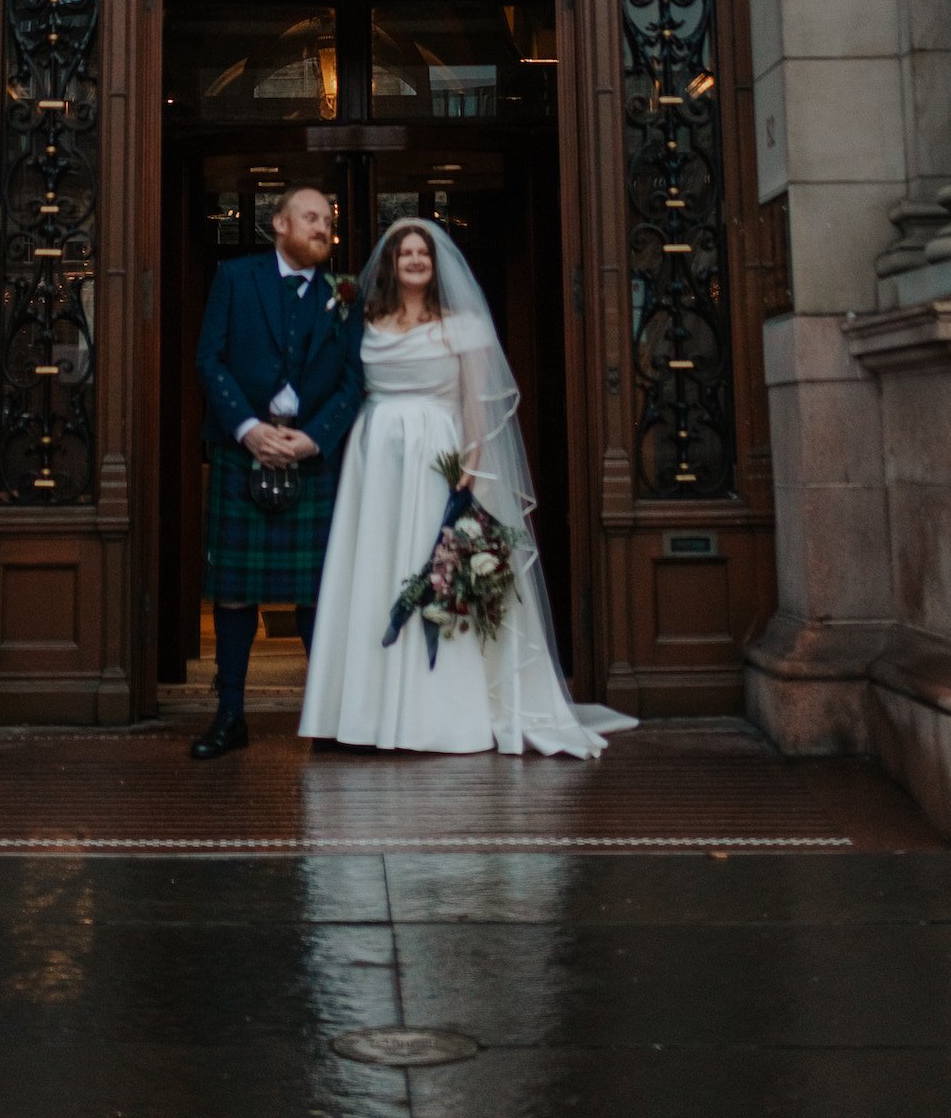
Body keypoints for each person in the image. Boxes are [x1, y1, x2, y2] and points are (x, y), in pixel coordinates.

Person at [300, 218, 635, 757]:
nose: (413, 260)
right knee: (375, 567)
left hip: (439, 453)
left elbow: (479, 400)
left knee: (431, 566)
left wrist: (472, 463)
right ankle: (363, 712)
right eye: (404, 252)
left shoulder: (463, 325)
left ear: (436, 266)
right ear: (390, 263)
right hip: (375, 457)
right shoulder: (364, 319)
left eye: (422, 254)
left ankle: (438, 715)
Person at [191, 184, 363, 762]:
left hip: (309, 457)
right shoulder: (237, 278)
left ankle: (324, 719)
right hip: (244, 452)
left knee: (316, 595)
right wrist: (247, 428)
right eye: (311, 216)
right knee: (235, 595)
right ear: (279, 224)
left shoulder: (345, 293)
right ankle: (231, 715)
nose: (323, 225)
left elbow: (354, 383)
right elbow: (208, 359)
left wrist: (314, 440)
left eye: (328, 218)